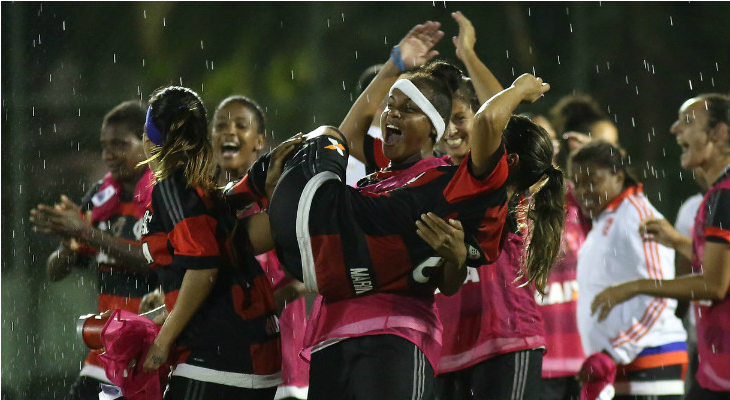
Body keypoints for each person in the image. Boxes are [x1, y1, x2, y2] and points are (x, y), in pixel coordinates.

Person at [138, 86, 285, 399]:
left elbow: (204, 267)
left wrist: (162, 342)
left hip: (218, 355)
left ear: (151, 138)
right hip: (251, 353)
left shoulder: (173, 187)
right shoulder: (200, 186)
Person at [432, 12, 548, 400]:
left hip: (505, 336)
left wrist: (468, 55)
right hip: (446, 347)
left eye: (460, 117)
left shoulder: (500, 171)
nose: (451, 130)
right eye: (442, 120)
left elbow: (496, 118)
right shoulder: (429, 178)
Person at [591, 93, 730, 399]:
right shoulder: (719, 193)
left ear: (720, 133)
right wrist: (680, 242)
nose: (674, 129)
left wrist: (636, 286)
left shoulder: (724, 196)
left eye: (688, 122)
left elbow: (715, 285)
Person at [29, 100, 156, 400]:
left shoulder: (164, 196)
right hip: (105, 352)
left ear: (148, 144)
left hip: (154, 351)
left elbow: (153, 261)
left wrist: (86, 232)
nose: (108, 155)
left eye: (120, 145)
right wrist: (70, 242)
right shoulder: (101, 197)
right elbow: (54, 271)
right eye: (104, 146)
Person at [211, 94, 310, 400]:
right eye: (221, 126)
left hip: (281, 353)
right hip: (220, 350)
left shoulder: (281, 195)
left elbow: (312, 265)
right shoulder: (201, 201)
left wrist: (278, 296)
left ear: (259, 141)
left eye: (241, 125)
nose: (229, 132)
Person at [571, 141, 688, 399]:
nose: (582, 190)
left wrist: (614, 352)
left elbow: (660, 295)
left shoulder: (637, 216)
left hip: (651, 361)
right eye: (576, 182)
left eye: (592, 180)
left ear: (618, 176)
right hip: (621, 365)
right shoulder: (608, 217)